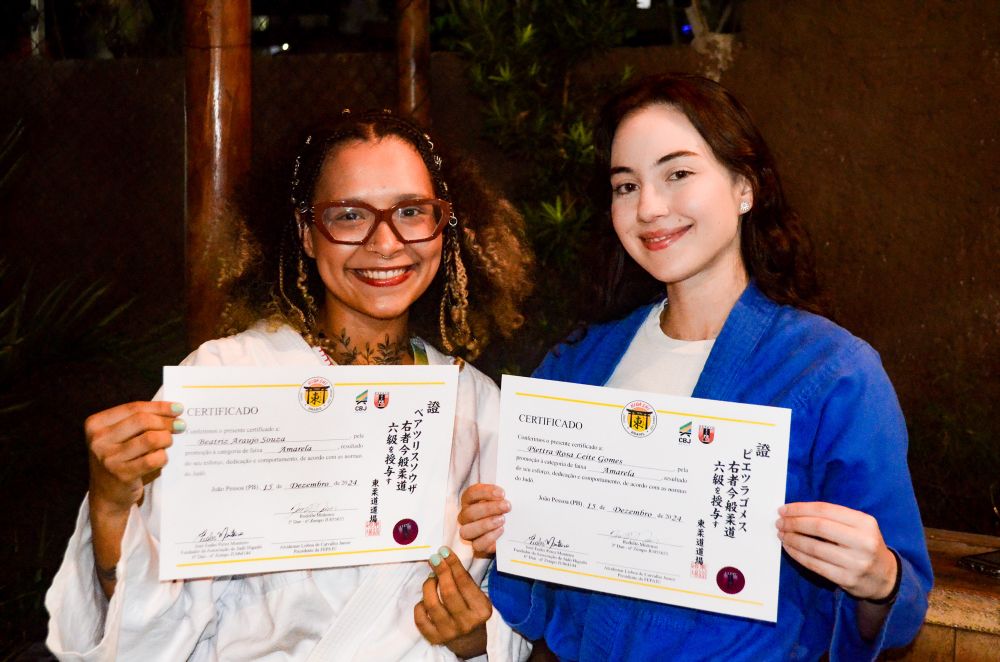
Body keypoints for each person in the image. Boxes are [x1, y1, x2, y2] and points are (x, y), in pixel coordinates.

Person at [458, 74, 933, 661]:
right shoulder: (578, 363)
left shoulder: (834, 372)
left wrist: (879, 580)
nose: (649, 208)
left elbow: (896, 609)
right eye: (626, 185)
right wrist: (506, 528)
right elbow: (538, 595)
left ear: (745, 186)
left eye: (678, 174)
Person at [45, 109, 534, 661]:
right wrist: (112, 505)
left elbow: (524, 623)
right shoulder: (226, 380)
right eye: (349, 215)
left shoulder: (481, 409)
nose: (386, 242)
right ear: (306, 232)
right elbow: (143, 637)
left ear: (443, 226)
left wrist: (475, 640)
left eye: (411, 211)